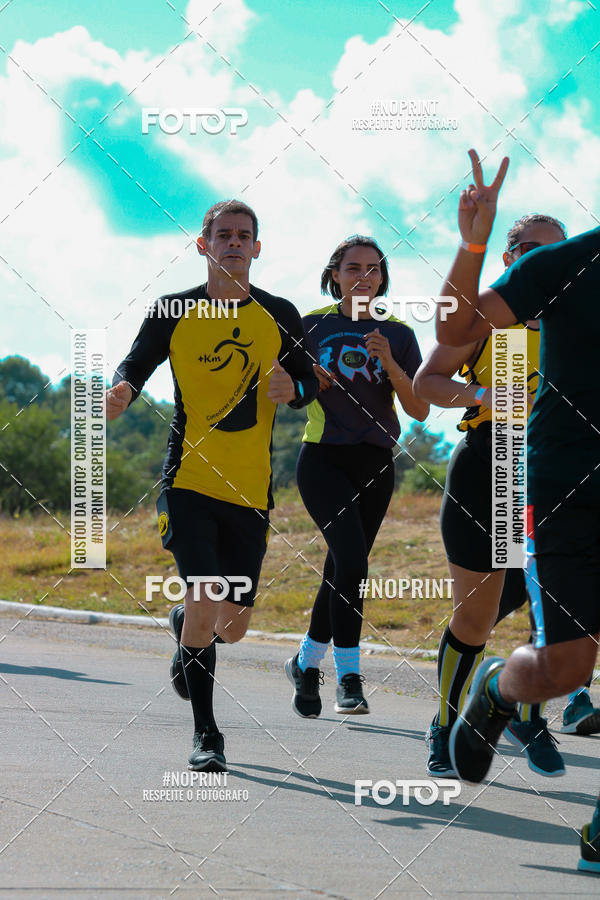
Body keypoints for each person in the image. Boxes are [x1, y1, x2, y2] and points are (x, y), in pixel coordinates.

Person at [106, 200, 318, 772]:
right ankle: (207, 735)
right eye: (222, 234)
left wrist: (293, 389)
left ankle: (187, 633)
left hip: (251, 490)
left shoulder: (279, 312)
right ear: (203, 245)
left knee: (234, 625)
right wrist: (123, 389)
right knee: (203, 596)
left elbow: (311, 379)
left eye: (243, 235)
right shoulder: (174, 309)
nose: (233, 242)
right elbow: (136, 362)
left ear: (257, 247)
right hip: (190, 479)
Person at [436, 149, 600, 873]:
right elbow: (453, 336)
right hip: (568, 487)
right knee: (563, 668)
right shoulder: (568, 264)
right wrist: (474, 243)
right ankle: (499, 686)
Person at [414, 213, 570, 778]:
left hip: (552, 476)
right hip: (488, 467)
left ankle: (528, 715)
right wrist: (483, 393)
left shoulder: (577, 320)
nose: (538, 260)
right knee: (475, 621)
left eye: (552, 252)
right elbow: (425, 383)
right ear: (509, 259)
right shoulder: (486, 317)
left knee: (554, 609)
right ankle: (445, 723)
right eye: (526, 249)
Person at [285, 235, 429, 717]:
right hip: (323, 458)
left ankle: (306, 662)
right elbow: (285, 391)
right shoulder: (309, 326)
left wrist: (389, 361)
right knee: (351, 562)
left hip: (376, 462)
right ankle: (349, 676)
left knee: (342, 567)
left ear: (384, 278)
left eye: (373, 269)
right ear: (334, 275)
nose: (363, 277)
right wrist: (310, 383)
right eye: (353, 268)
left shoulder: (401, 334)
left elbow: (420, 409)